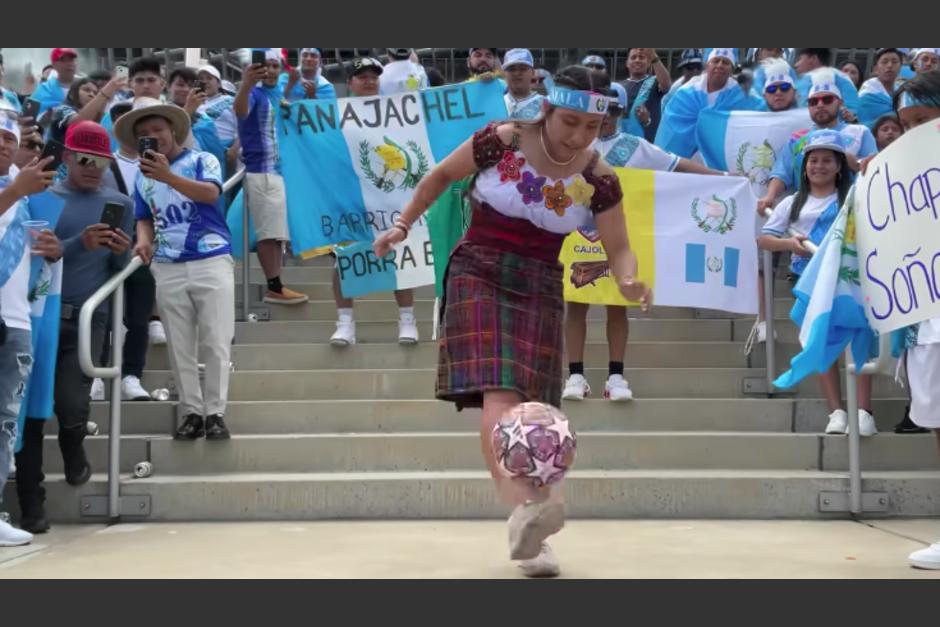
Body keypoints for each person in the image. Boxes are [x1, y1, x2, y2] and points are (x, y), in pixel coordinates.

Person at [372, 66, 650, 577]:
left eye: (592, 126)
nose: (580, 136)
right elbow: (438, 177)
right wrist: (401, 224)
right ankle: (526, 509)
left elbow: (620, 249)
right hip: (479, 267)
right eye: (570, 122)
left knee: (539, 410)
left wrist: (629, 280)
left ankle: (536, 524)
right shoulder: (502, 140)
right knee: (501, 396)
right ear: (546, 110)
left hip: (542, 280)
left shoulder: (598, 178)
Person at [564, 84, 720, 402]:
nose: (605, 118)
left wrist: (722, 175)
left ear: (621, 113)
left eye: (613, 111)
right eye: (600, 110)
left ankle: (616, 376)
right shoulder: (572, 146)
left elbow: (679, 165)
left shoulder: (635, 147)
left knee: (618, 305)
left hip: (620, 238)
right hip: (577, 237)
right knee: (575, 305)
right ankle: (576, 375)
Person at [116, 98, 235, 442]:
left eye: (158, 130)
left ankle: (216, 412)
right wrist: (143, 239)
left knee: (215, 339)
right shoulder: (143, 176)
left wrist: (168, 175)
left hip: (211, 257)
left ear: (172, 130)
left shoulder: (202, 159)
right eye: (144, 134)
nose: (153, 137)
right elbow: (143, 214)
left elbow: (210, 194)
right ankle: (192, 412)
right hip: (167, 265)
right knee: (179, 345)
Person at [759, 130, 876, 437]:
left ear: (840, 166)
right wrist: (789, 245)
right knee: (820, 342)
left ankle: (864, 412)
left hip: (852, 280)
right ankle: (836, 411)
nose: (819, 166)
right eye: (813, 160)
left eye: (827, 160)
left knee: (857, 340)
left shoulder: (857, 196)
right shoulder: (791, 203)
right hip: (810, 281)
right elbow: (765, 239)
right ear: (804, 166)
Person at [48, 121, 135, 491]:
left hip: (89, 314)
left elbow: (120, 268)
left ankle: (73, 446)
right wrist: (77, 244)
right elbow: (37, 259)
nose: (90, 167)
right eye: (83, 159)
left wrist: (121, 251)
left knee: (74, 402)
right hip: (45, 312)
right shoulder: (45, 198)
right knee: (33, 404)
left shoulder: (120, 204)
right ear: (67, 157)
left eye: (99, 161)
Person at [883, 71, 940, 570]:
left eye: (923, 120)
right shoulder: (898, 175)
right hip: (926, 320)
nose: (913, 132)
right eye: (905, 124)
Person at [329, 57, 419, 347]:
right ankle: (345, 323)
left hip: (389, 196)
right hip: (350, 197)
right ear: (350, 83)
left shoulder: (397, 111)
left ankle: (407, 319)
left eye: (373, 76)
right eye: (361, 76)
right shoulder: (334, 114)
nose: (368, 81)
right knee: (344, 260)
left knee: (399, 258)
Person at [0, 106, 56, 546]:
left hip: (16, 317)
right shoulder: (16, 190)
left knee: (4, 419)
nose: (4, 143)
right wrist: (16, 190)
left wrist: (52, 251)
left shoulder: (18, 194)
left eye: (8, 137)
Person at [234, 49, 309, 305]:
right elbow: (241, 112)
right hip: (261, 171)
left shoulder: (275, 93)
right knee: (269, 233)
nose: (269, 70)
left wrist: (291, 85)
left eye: (275, 65)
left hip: (278, 171)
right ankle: (274, 286)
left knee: (277, 233)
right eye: (264, 66)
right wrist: (246, 84)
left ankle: (276, 284)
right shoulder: (253, 93)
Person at [758, 71, 877, 215]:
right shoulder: (797, 139)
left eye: (827, 100)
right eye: (813, 102)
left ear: (840, 102)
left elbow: (874, 173)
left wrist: (851, 161)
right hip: (805, 215)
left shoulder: (860, 132)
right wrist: (770, 196)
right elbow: (782, 173)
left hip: (847, 213)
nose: (820, 105)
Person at [655, 48, 750, 158]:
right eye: (715, 61)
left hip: (721, 161)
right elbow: (671, 129)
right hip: (685, 163)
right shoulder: (685, 93)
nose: (720, 65)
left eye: (725, 62)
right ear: (707, 65)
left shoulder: (740, 95)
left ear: (732, 69)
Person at [619, 47, 671, 141]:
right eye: (633, 57)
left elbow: (666, 85)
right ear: (627, 63)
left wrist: (654, 58)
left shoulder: (654, 82)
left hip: (648, 144)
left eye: (641, 57)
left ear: (648, 63)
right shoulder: (619, 87)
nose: (637, 60)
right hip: (622, 145)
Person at [792, 48, 860, 118]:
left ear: (813, 59)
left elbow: (852, 113)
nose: (796, 65)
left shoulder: (805, 81)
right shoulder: (845, 79)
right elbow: (853, 111)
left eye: (800, 59)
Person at [859, 48, 904, 128]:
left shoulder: (904, 92)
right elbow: (862, 126)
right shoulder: (867, 94)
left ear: (900, 67)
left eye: (894, 62)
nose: (890, 65)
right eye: (884, 62)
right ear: (876, 69)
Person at [31, 48, 78, 115]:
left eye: (71, 60)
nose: (69, 64)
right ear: (54, 65)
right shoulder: (43, 90)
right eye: (63, 60)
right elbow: (27, 116)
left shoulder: (87, 87)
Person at [502, 49, 544, 120]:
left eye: (522, 69)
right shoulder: (497, 103)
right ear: (504, 74)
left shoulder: (546, 105)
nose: (517, 73)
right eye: (512, 69)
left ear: (533, 73)